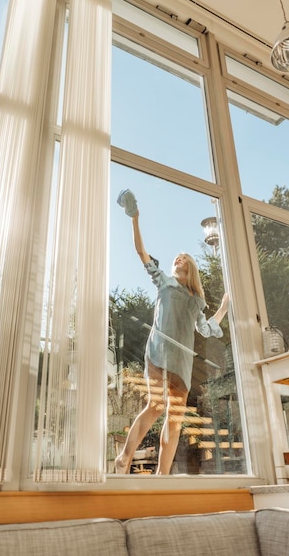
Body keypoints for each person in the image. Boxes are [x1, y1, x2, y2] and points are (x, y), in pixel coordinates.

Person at [115, 189, 229, 475]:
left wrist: (226, 304)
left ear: (191, 268)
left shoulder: (195, 301)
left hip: (181, 365)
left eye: (183, 258)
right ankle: (123, 459)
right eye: (176, 257)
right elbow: (141, 252)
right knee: (154, 407)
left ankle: (162, 476)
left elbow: (205, 328)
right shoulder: (164, 282)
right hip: (158, 355)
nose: (178, 258)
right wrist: (135, 217)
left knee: (175, 419)